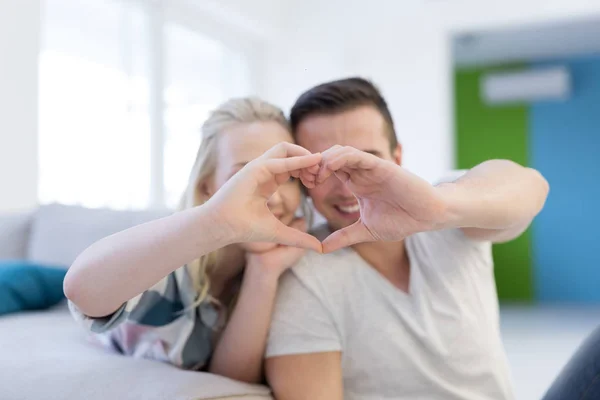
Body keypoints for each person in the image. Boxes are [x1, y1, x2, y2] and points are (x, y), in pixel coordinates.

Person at [264, 77, 550, 400]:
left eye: (363, 160)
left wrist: (441, 208)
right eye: (324, 168)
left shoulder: (447, 205)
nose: (347, 187)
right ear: (303, 179)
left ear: (397, 158)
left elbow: (533, 187)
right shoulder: (305, 275)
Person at [64, 97, 323, 383]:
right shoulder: (171, 264)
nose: (273, 196)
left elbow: (230, 381)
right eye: (245, 175)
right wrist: (215, 220)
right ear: (206, 187)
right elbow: (82, 290)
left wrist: (263, 272)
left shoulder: (293, 264)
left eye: (287, 176)